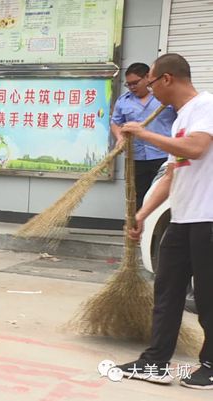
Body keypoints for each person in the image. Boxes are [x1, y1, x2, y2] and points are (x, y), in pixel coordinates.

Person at [116, 53, 213, 389]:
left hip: (208, 219)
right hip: (183, 218)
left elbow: (197, 148)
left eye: (152, 82)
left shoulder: (206, 106)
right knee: (167, 291)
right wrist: (142, 214)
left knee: (207, 296)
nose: (150, 90)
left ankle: (211, 364)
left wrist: (143, 134)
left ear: (167, 79)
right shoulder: (179, 119)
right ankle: (155, 362)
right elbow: (172, 174)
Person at [110, 62, 177, 208]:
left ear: (147, 77)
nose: (132, 87)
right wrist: (120, 137)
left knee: (164, 196)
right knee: (137, 196)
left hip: (163, 156)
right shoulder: (123, 101)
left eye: (135, 83)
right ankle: (138, 227)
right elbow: (115, 122)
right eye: (129, 84)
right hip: (136, 157)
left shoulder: (164, 98)